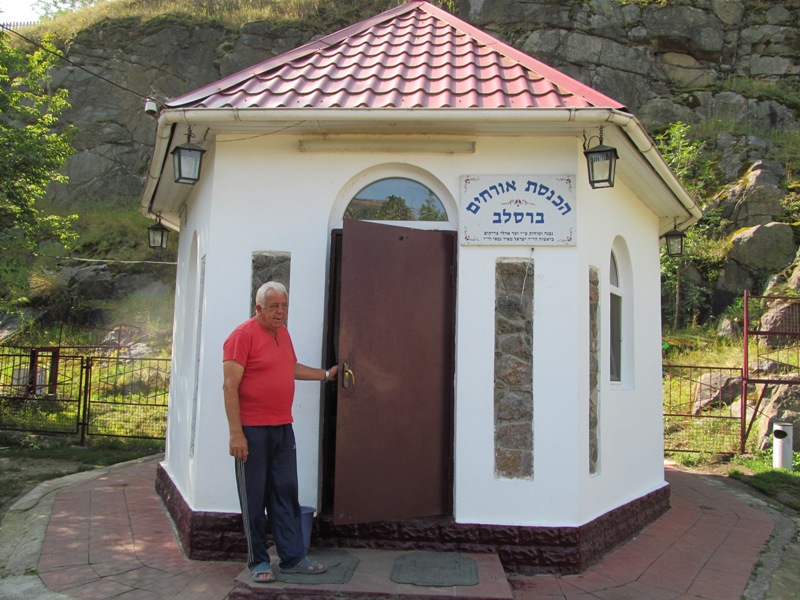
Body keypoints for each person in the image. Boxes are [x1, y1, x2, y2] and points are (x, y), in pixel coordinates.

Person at [222, 281, 338, 583]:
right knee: (254, 496)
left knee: (285, 492)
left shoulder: (283, 334)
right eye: (274, 306)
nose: (280, 312)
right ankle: (258, 561)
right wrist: (236, 433)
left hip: (283, 428)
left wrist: (326, 375)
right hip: (252, 431)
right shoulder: (241, 336)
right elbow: (229, 386)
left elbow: (290, 367)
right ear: (258, 308)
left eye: (284, 306)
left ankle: (292, 557)